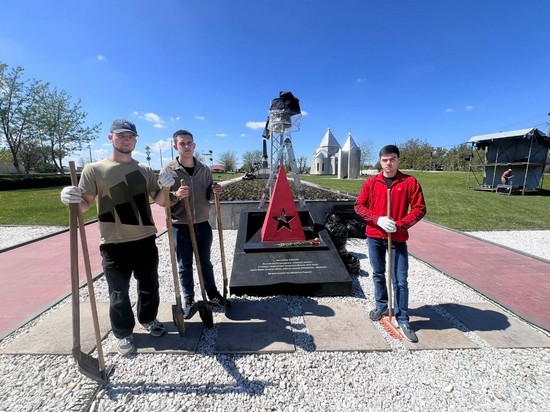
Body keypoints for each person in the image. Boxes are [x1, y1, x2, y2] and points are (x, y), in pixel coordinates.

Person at [60, 119, 175, 356]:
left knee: (149, 286)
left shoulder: (144, 170)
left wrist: (167, 189)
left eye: (131, 136)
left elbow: (160, 201)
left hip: (145, 239)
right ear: (111, 137)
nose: (126, 140)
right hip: (113, 243)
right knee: (118, 293)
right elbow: (85, 205)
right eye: (121, 135)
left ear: (135, 140)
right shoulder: (94, 169)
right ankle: (123, 332)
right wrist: (71, 198)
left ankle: (148, 319)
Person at [354, 145, 426, 342]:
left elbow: (420, 209)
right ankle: (382, 305)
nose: (388, 163)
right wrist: (377, 219)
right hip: (375, 236)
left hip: (397, 238)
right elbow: (359, 206)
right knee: (378, 274)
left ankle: (403, 317)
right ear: (380, 161)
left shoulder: (409, 182)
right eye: (385, 160)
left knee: (400, 280)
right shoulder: (371, 183)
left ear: (398, 160)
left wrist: (399, 225)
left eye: (392, 159)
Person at [161, 129, 229, 319]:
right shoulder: (168, 171)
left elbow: (208, 195)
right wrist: (175, 195)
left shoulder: (204, 169)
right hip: (180, 225)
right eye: (182, 143)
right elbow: (162, 199)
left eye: (189, 143)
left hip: (202, 224)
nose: (186, 146)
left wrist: (215, 191)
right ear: (175, 146)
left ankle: (212, 294)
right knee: (185, 264)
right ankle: (188, 299)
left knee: (205, 262)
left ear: (194, 145)